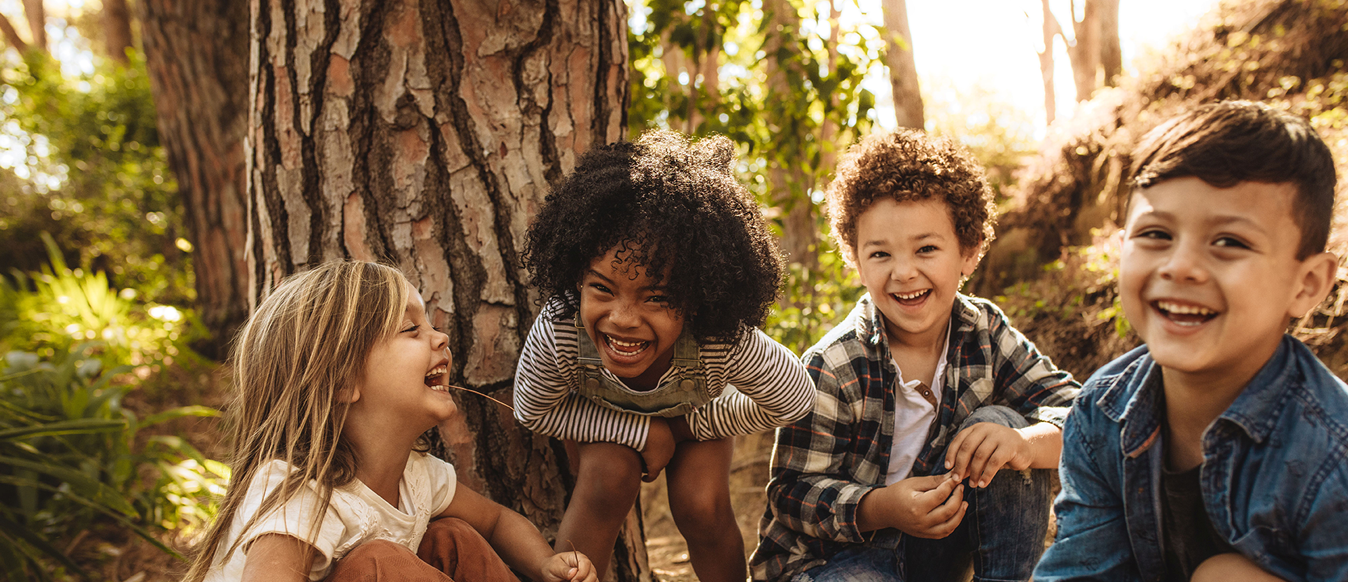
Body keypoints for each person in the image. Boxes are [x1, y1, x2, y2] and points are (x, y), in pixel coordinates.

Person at [1034, 101, 1348, 581]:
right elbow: (1083, 570)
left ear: (1306, 285)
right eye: (1155, 233)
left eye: (1229, 242)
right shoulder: (1104, 410)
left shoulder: (1341, 455)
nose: (1180, 266)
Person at [751, 130, 1081, 582]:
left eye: (926, 248)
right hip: (833, 561)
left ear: (968, 251)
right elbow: (791, 493)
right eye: (881, 253)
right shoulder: (833, 364)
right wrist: (881, 508)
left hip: (933, 554)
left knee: (1003, 429)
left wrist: (1025, 444)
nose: (904, 272)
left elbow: (1084, 417)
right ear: (857, 261)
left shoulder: (983, 333)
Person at [512, 130, 815, 582]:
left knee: (701, 504)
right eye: (602, 288)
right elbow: (532, 410)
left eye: (655, 296)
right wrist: (640, 430)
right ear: (577, 277)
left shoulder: (718, 339)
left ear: (696, 298)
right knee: (606, 479)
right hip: (605, 424)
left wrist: (682, 425)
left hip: (696, 419)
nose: (623, 318)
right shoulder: (560, 329)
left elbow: (794, 399)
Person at [182, 261, 596, 582]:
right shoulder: (298, 491)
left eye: (431, 326)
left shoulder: (417, 478)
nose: (440, 338)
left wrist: (544, 564)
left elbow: (496, 520)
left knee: (454, 537)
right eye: (410, 329)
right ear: (342, 380)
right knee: (383, 563)